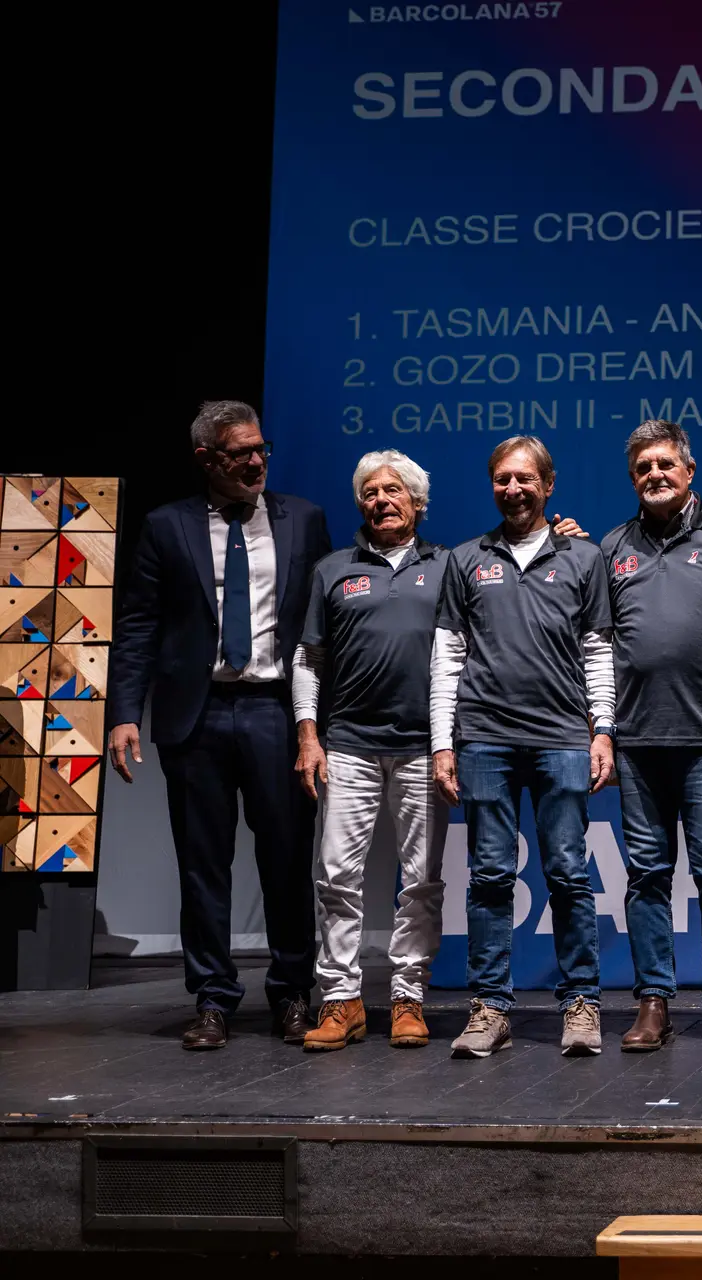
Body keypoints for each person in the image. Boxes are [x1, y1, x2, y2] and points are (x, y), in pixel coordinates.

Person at [108, 400, 331, 1051]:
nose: (257, 462)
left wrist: (320, 722)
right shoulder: (167, 526)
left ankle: (293, 992)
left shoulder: (303, 519)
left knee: (286, 860)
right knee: (202, 864)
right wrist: (125, 713)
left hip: (274, 711)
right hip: (196, 715)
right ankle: (212, 997)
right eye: (241, 454)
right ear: (206, 458)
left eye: (262, 449)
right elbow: (139, 625)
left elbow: (324, 624)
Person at [432, 436, 616, 1059]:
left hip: (562, 738)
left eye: (524, 479)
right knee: (488, 877)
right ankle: (490, 1007)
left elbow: (598, 650)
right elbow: (447, 657)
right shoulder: (466, 558)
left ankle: (581, 1003)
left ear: (548, 484)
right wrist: (442, 743)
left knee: (568, 874)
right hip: (484, 739)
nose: (513, 489)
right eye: (502, 479)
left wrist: (602, 729)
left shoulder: (584, 558)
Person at [600, 421, 702, 1054]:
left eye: (665, 463)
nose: (655, 474)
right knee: (646, 875)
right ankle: (653, 1002)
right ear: (632, 479)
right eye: (643, 467)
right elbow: (597, 642)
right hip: (637, 741)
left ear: (689, 470)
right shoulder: (611, 547)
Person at [292, 450, 448, 1051]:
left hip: (423, 748)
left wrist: (563, 539)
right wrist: (309, 736)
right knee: (336, 877)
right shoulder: (333, 569)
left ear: (417, 502)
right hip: (349, 745)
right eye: (370, 492)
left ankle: (408, 998)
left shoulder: (448, 566)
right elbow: (309, 658)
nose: (381, 500)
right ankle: (341, 1001)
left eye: (393, 490)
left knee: (422, 881)